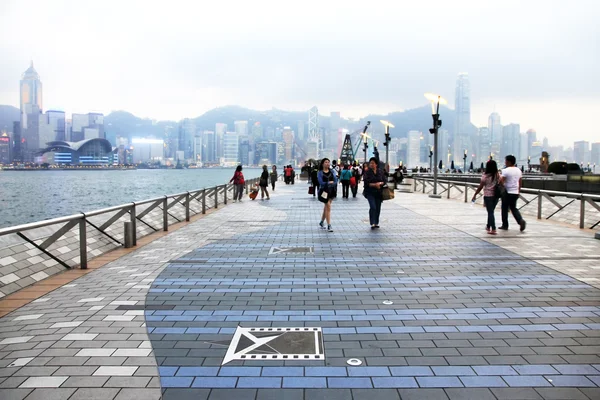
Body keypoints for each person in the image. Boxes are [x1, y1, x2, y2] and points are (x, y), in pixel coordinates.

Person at [472, 160, 500, 234]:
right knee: (491, 212)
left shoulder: (485, 176)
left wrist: (475, 194)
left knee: (490, 212)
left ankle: (493, 228)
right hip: (496, 195)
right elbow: (501, 183)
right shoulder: (497, 175)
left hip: (488, 196)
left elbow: (480, 186)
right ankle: (488, 226)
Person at [499, 155, 526, 231]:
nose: (505, 162)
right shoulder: (518, 170)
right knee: (513, 208)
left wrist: (501, 184)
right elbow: (520, 182)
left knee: (504, 208)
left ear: (509, 161)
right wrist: (518, 190)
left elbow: (501, 181)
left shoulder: (505, 170)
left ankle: (505, 225)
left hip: (507, 191)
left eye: (506, 161)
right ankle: (520, 221)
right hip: (515, 192)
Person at [363, 157, 385, 229]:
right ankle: (372, 222)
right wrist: (374, 185)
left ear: (376, 164)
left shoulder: (380, 171)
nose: (371, 164)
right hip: (370, 192)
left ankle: (376, 222)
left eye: (373, 163)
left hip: (379, 193)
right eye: (370, 163)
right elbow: (366, 182)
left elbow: (384, 180)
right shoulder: (367, 172)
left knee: (378, 208)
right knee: (373, 207)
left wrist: (380, 183)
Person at [318, 158, 337, 232]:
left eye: (328, 162)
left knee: (326, 207)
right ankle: (329, 225)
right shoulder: (320, 173)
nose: (327, 163)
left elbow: (335, 180)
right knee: (328, 206)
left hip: (332, 191)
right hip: (324, 192)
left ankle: (322, 222)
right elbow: (321, 183)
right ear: (322, 164)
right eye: (326, 162)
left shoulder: (332, 171)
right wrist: (329, 183)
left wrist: (333, 183)